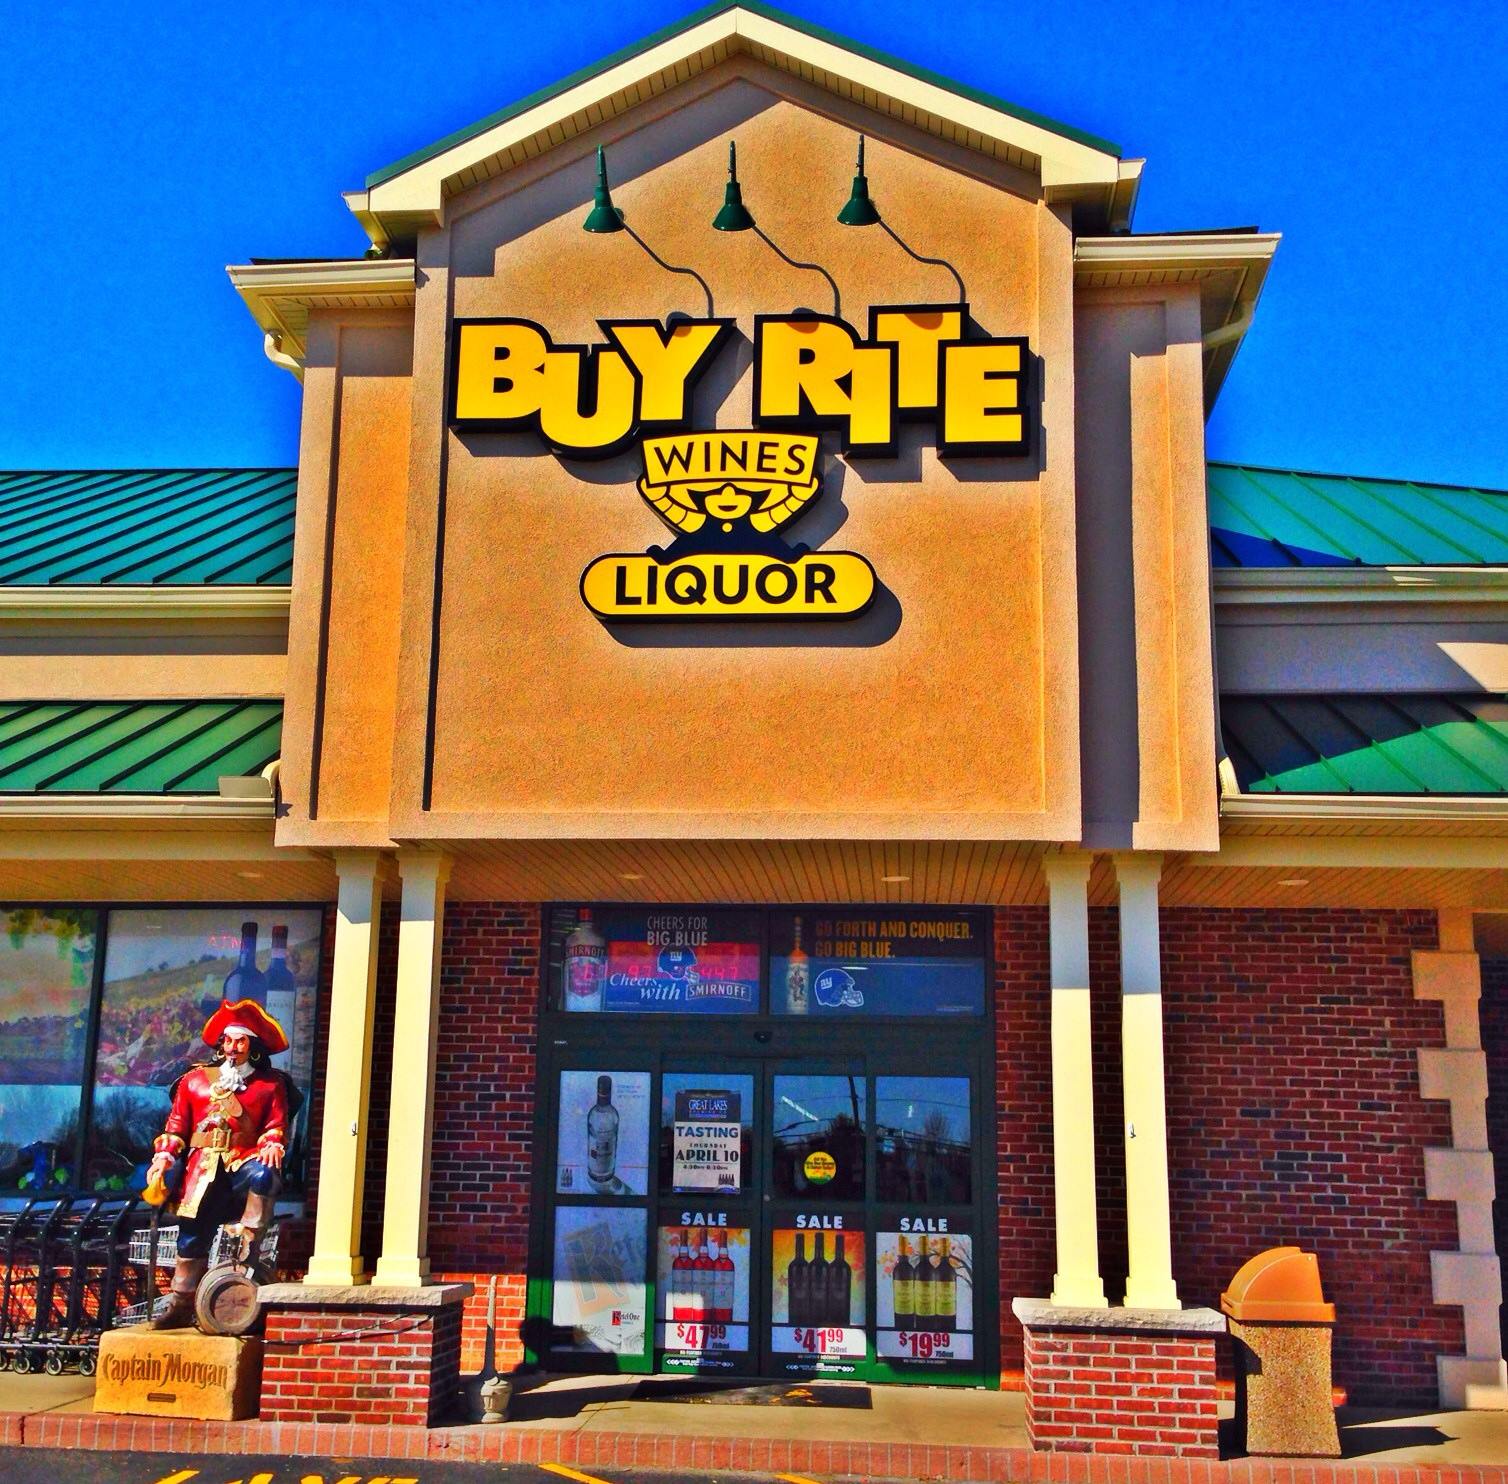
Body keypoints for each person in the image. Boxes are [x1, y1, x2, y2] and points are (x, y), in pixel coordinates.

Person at [142, 998, 291, 1330]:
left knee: (265, 1175)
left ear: (252, 1046)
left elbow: (275, 1127)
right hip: (202, 1170)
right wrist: (164, 1156)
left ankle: (248, 1252)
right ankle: (180, 1303)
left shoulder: (270, 1085)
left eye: (241, 1041)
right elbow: (176, 1127)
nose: (233, 1047)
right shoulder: (194, 1082)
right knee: (192, 1237)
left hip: (242, 1164)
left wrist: (272, 1143)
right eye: (228, 1040)